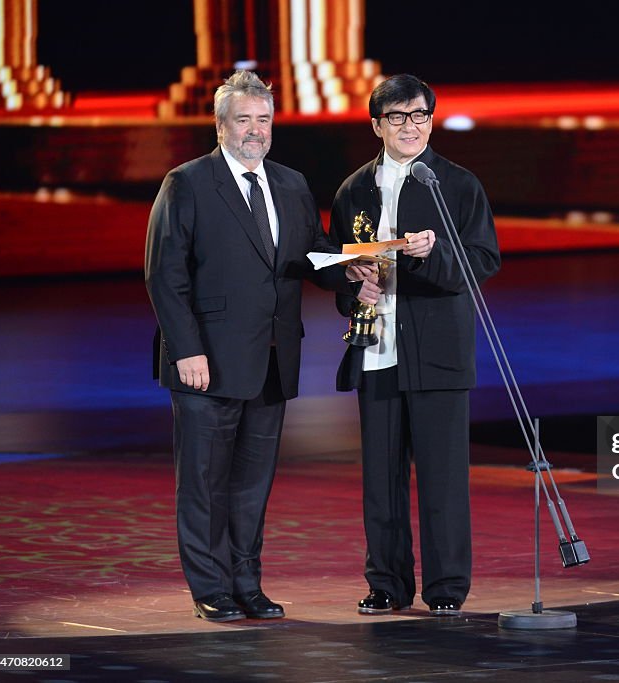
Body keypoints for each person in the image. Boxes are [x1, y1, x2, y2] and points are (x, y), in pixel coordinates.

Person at [145, 70, 379, 622]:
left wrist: (352, 270)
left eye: (263, 119)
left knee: (252, 484)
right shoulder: (188, 183)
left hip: (272, 359)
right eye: (244, 119)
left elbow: (310, 254)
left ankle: (247, 583)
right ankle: (211, 589)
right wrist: (187, 350)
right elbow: (164, 274)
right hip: (207, 361)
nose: (255, 130)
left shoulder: (292, 184)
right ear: (221, 124)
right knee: (204, 483)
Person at [326, 74, 501, 616]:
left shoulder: (456, 184)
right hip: (376, 347)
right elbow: (337, 266)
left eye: (420, 115)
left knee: (442, 480)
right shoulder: (353, 189)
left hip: (438, 355)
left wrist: (435, 253)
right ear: (377, 125)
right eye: (398, 117)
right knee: (380, 479)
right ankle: (387, 583)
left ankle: (447, 588)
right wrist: (353, 281)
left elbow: (483, 262)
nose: (411, 126)